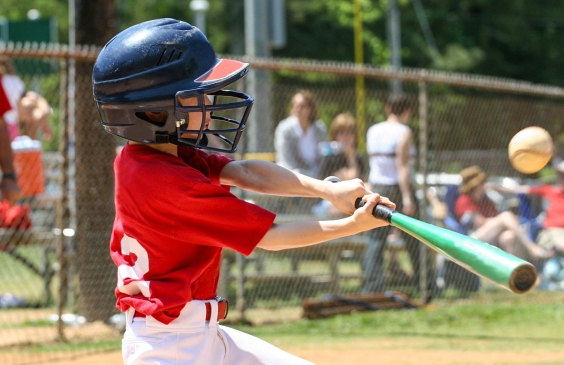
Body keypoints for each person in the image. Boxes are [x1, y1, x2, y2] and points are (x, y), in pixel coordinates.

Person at [93, 19, 394, 365]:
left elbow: (247, 172)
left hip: (194, 335)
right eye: (196, 96)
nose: (209, 103)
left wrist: (327, 191)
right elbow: (273, 236)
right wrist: (353, 225)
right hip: (172, 348)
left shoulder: (150, 157)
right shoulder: (170, 185)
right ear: (155, 112)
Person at [494, 160, 564, 280]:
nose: (561, 179)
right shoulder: (551, 191)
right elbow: (519, 189)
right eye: (560, 176)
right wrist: (493, 186)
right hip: (554, 234)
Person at [362, 94, 423, 294]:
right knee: (416, 236)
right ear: (407, 112)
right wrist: (407, 197)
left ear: (388, 109)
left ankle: (372, 287)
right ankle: (425, 285)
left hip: (377, 187)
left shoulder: (373, 130)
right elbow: (402, 166)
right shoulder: (404, 132)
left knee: (376, 240)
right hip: (397, 188)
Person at [455, 165, 551, 263]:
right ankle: (532, 248)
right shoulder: (464, 200)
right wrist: (504, 222)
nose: (484, 185)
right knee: (506, 216)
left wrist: (505, 223)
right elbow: (480, 223)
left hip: (491, 235)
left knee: (509, 237)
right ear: (474, 186)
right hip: (471, 240)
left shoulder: (486, 201)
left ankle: (518, 271)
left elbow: (495, 219)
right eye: (482, 183)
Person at [313, 112, 368, 217]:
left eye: (350, 132)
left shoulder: (358, 158)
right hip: (328, 202)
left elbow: (364, 183)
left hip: (353, 200)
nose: (346, 136)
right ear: (335, 135)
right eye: (342, 132)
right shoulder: (329, 157)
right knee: (345, 207)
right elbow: (352, 177)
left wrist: (351, 156)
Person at [274, 90, 328, 178]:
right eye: (294, 105)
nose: (297, 109)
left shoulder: (319, 129)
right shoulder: (285, 129)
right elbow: (286, 161)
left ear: (310, 108)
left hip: (317, 176)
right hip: (292, 177)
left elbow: (324, 158)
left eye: (302, 106)